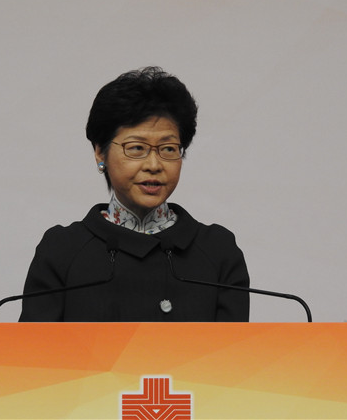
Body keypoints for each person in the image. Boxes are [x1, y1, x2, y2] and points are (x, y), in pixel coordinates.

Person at [19, 67, 249, 322]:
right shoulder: (62, 250)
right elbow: (34, 348)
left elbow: (235, 348)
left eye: (168, 148)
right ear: (100, 152)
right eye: (137, 148)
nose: (154, 165)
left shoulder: (217, 251)